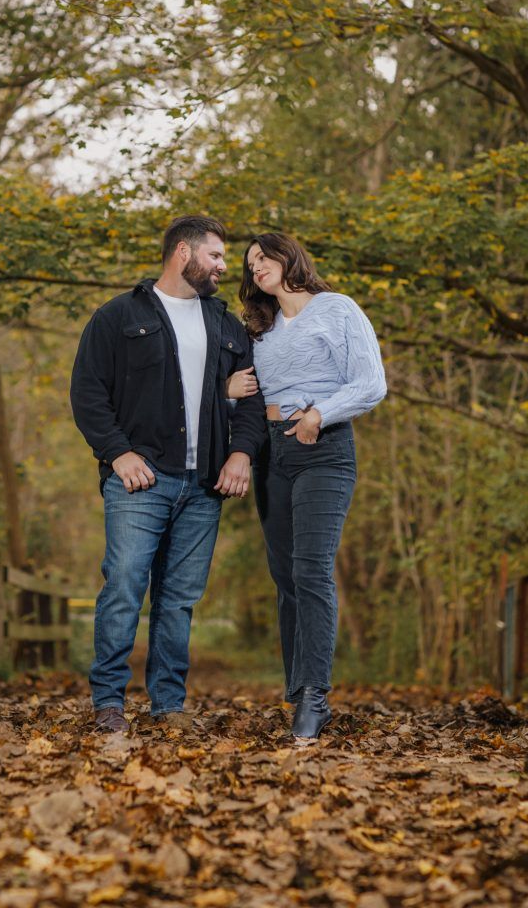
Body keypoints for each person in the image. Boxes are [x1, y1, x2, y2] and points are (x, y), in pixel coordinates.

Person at [70, 215, 266, 732]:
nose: (225, 267)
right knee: (125, 588)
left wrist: (241, 454)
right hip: (141, 479)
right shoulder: (117, 317)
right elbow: (89, 393)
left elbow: (250, 399)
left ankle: (168, 707)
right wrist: (118, 454)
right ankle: (109, 703)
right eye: (217, 256)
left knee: (179, 600)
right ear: (183, 252)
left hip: (204, 485)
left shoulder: (225, 325)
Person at [236, 232, 386, 740]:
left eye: (264, 257)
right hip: (271, 454)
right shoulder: (262, 329)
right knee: (285, 578)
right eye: (250, 263)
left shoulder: (336, 309)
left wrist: (320, 413)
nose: (256, 267)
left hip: (323, 449)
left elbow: (370, 383)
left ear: (289, 256)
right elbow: (247, 397)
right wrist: (227, 392)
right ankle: (298, 691)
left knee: (312, 569)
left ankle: (316, 697)